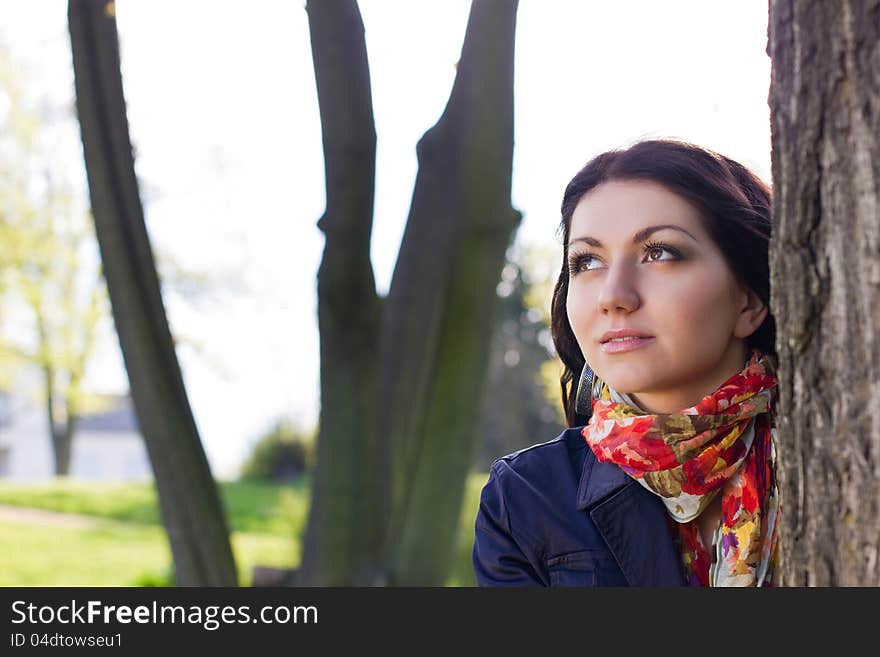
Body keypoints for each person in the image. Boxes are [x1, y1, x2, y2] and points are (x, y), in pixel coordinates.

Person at [472, 139, 779, 587]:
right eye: (587, 261)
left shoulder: (839, 451)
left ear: (749, 299)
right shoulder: (524, 499)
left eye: (660, 252)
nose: (613, 296)